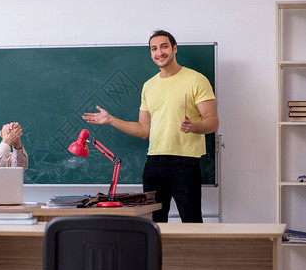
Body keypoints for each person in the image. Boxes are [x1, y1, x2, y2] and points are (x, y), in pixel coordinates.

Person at [82, 30, 219, 223]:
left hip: (185, 163)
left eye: (164, 47)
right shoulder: (149, 86)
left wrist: (194, 126)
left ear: (174, 49)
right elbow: (143, 130)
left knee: (192, 222)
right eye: (154, 48)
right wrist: (110, 119)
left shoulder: (196, 79)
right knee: (152, 224)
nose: (159, 52)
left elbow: (213, 121)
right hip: (154, 164)